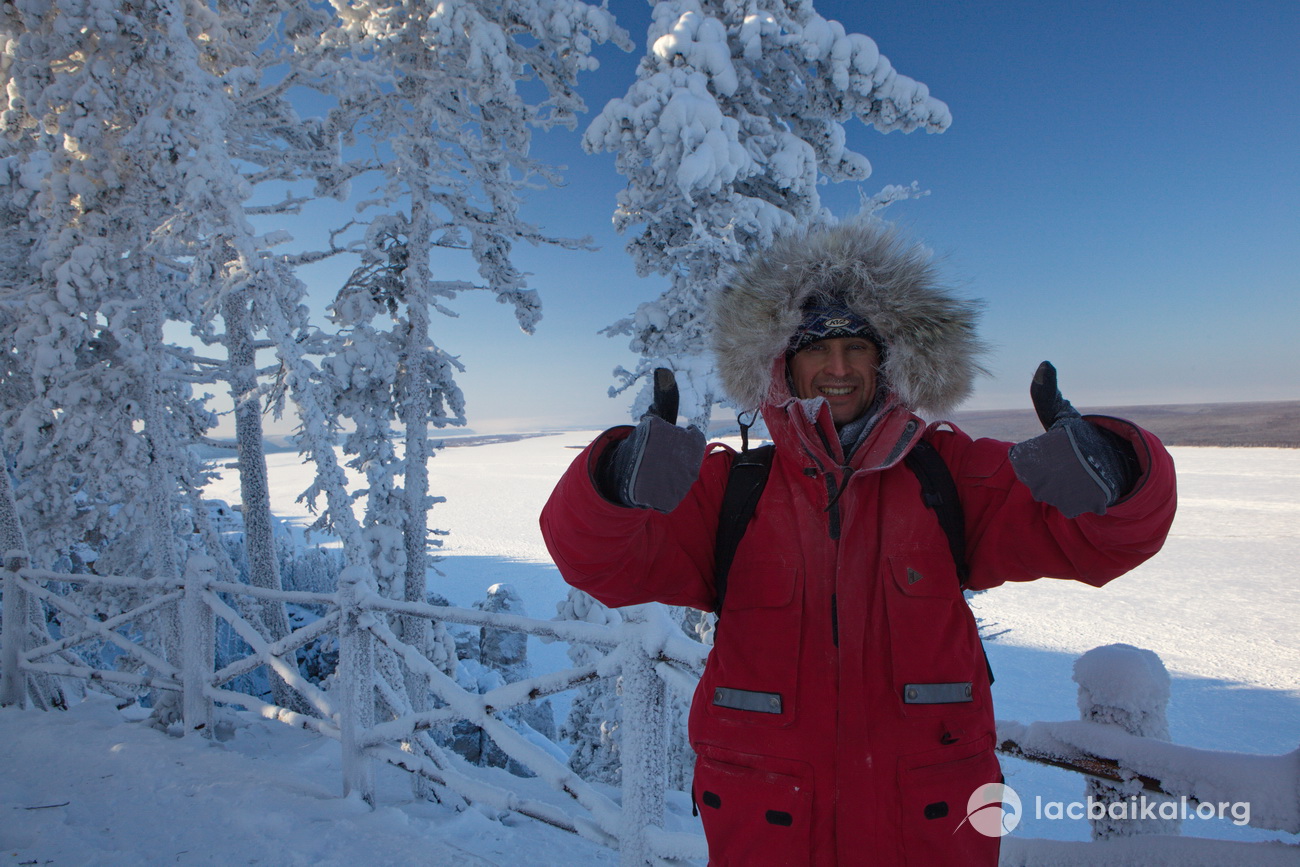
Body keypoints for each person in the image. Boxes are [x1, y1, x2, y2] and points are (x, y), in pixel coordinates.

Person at [540, 221, 1176, 866]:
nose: (837, 367)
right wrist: (612, 485)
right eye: (815, 348)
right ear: (782, 366)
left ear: (889, 363)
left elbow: (1103, 542)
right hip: (770, 818)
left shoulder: (947, 474)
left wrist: (1118, 475)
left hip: (930, 819)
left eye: (856, 346)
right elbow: (598, 561)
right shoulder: (733, 489)